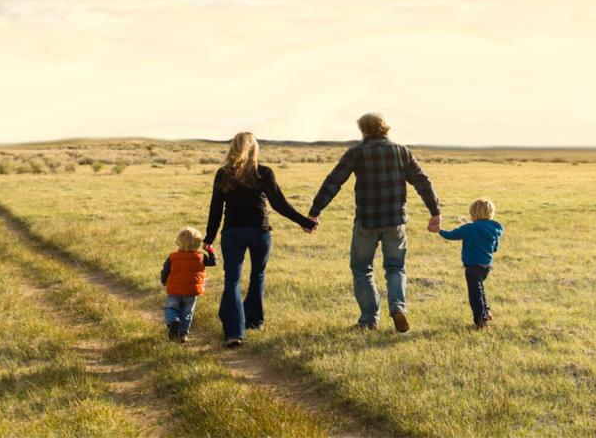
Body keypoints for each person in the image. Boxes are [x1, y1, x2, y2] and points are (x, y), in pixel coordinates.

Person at [308, 113, 441, 332]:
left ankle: (369, 320)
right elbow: (422, 181)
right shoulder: (401, 151)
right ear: (385, 128)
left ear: (364, 130)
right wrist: (434, 211)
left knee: (361, 268)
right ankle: (398, 307)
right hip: (395, 221)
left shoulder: (356, 153)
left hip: (367, 222)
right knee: (396, 267)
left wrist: (315, 211)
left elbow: (333, 182)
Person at [204, 132, 318, 348]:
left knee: (232, 281)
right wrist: (305, 222)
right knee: (257, 275)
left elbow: (215, 210)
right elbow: (279, 204)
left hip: (232, 233)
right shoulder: (263, 172)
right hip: (259, 231)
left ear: (233, 148)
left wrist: (208, 238)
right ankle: (254, 322)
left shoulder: (223, 174)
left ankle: (234, 333)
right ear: (254, 149)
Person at [433, 198, 503, 329]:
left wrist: (439, 231)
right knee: (480, 290)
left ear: (474, 215)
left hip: (472, 267)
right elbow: (495, 248)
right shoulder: (494, 229)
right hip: (487, 266)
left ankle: (481, 321)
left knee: (475, 294)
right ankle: (486, 311)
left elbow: (452, 235)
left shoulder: (470, 228)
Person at [160, 226, 217, 343]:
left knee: (171, 308)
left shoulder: (172, 257)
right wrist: (210, 251)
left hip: (174, 290)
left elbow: (165, 271)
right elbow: (213, 262)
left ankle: (173, 321)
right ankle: (183, 334)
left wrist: (164, 281)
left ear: (179, 243)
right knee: (187, 312)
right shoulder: (201, 257)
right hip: (192, 291)